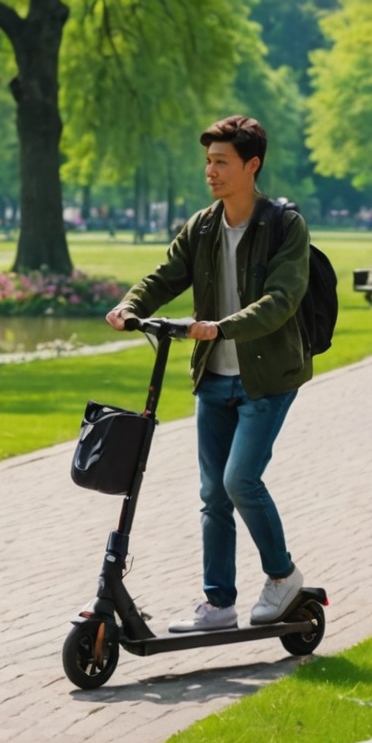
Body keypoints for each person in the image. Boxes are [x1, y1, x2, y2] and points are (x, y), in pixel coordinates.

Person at [105, 115, 312, 633]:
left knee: (240, 479)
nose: (211, 171)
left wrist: (221, 328)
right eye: (208, 161)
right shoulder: (201, 226)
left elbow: (281, 301)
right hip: (214, 379)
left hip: (267, 378)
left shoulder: (285, 226)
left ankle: (283, 575)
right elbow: (165, 276)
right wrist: (130, 305)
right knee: (212, 495)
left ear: (252, 165)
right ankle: (218, 604)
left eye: (221, 161)